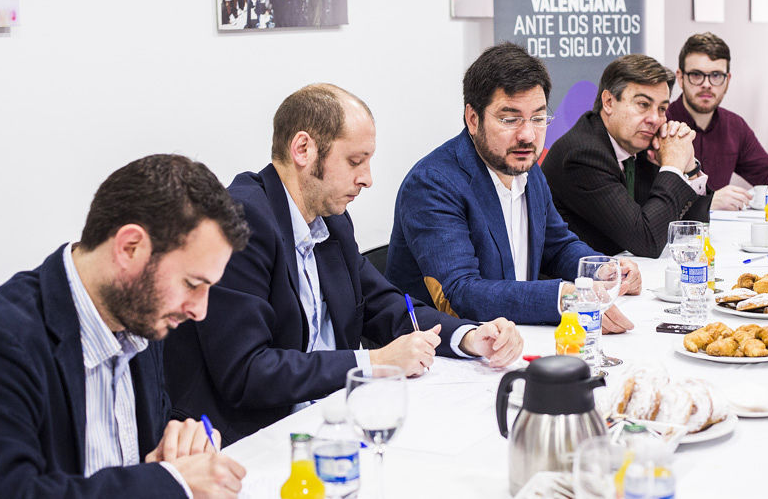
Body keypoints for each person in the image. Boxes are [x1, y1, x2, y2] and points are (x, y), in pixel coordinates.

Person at [164, 84, 524, 444]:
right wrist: (374, 363)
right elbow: (248, 372)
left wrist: (471, 336)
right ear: (303, 149)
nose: (368, 178)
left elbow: (388, 307)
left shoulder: (331, 219)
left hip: (335, 416)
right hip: (255, 436)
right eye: (355, 161)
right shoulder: (243, 220)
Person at [0, 155, 251, 498]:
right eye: (192, 284)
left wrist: (175, 443)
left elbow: (140, 460)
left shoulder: (140, 318)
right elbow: (7, 492)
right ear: (130, 248)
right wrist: (171, 483)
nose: (200, 311)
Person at [386, 43, 641, 329]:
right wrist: (563, 298)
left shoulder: (527, 169)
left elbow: (556, 247)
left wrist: (601, 270)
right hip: (443, 356)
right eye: (510, 119)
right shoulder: (433, 184)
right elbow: (461, 293)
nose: (528, 135)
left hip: (518, 338)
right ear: (473, 119)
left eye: (538, 118)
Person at [542, 54, 712, 259]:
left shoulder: (641, 147)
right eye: (643, 104)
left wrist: (690, 167)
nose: (655, 119)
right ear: (608, 102)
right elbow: (647, 241)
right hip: (581, 281)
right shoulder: (583, 155)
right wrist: (672, 166)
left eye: (662, 109)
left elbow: (692, 231)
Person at [666, 32, 768, 210]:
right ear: (680, 77)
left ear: (727, 80)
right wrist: (707, 203)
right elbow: (649, 202)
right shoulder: (663, 123)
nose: (707, 84)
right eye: (696, 75)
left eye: (716, 75)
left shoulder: (734, 126)